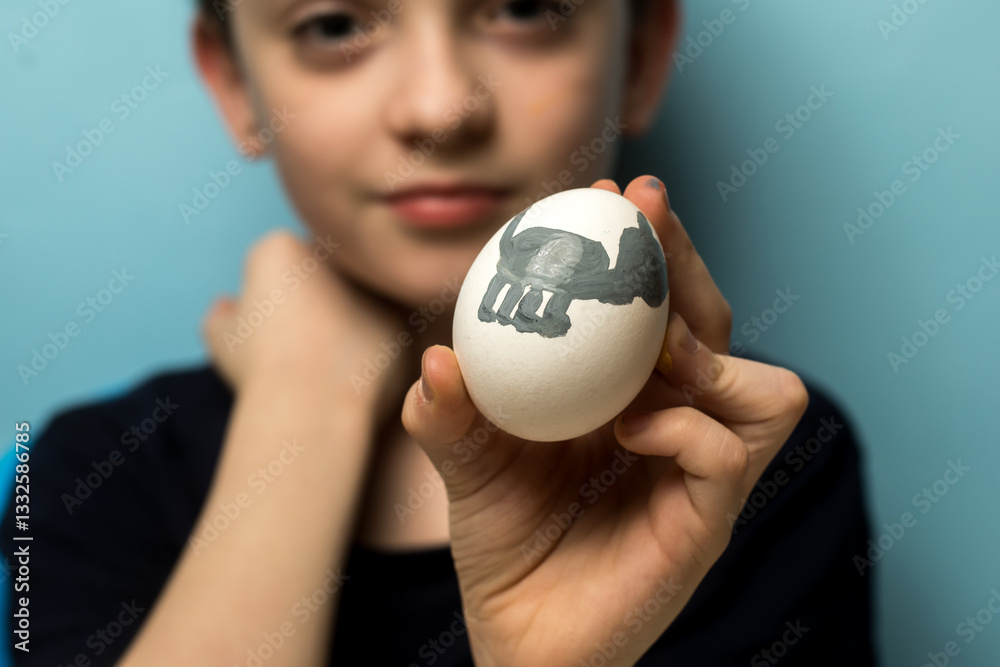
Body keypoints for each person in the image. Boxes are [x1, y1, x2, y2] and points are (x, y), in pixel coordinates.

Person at [1, 0, 877, 665]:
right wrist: (306, 407)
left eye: (526, 7)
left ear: (642, 55)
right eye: (335, 23)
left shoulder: (741, 463)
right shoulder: (81, 478)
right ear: (236, 85)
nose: (442, 106)